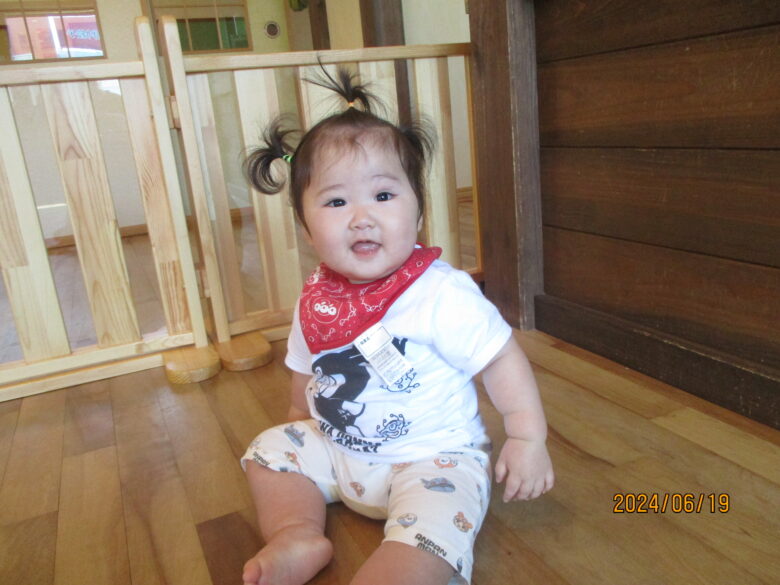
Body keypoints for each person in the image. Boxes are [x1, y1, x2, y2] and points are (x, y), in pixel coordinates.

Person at [240, 67, 554, 585]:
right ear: (307, 228)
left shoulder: (441, 293)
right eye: (336, 202)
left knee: (433, 529)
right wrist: (300, 425)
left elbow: (500, 357)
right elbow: (305, 370)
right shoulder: (317, 298)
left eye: (383, 196)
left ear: (418, 211)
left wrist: (526, 436)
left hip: (433, 461)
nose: (361, 217)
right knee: (268, 451)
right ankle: (295, 532)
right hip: (340, 447)